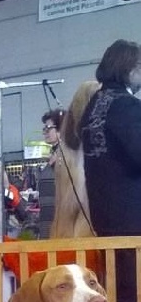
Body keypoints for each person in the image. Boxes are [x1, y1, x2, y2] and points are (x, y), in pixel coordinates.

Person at [80, 39, 141, 302]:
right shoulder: (128, 107)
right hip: (135, 217)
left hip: (106, 217)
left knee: (117, 294)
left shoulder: (93, 107)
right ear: (128, 67)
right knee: (129, 295)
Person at [50, 81, 99, 239]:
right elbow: (73, 204)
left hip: (67, 233)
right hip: (82, 235)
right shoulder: (72, 155)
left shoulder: (64, 152)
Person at [37, 108, 65, 238]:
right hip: (49, 221)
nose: (45, 132)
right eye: (44, 129)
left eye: (49, 128)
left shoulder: (66, 155)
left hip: (60, 224)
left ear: (61, 129)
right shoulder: (55, 154)